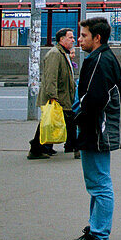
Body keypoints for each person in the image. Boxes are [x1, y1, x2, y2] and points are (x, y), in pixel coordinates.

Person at [69, 17, 121, 240]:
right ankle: (95, 229)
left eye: (83, 36)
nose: (79, 40)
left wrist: (77, 117)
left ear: (97, 38)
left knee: (100, 183)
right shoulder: (101, 58)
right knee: (96, 182)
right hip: (96, 128)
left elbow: (94, 99)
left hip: (97, 129)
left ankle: (100, 237)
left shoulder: (99, 60)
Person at [28, 28, 77, 159]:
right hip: (58, 98)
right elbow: (51, 77)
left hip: (63, 96)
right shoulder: (55, 54)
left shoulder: (62, 53)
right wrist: (53, 97)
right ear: (61, 39)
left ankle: (40, 148)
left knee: (49, 123)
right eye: (70, 37)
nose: (73, 40)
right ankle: (75, 148)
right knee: (57, 122)